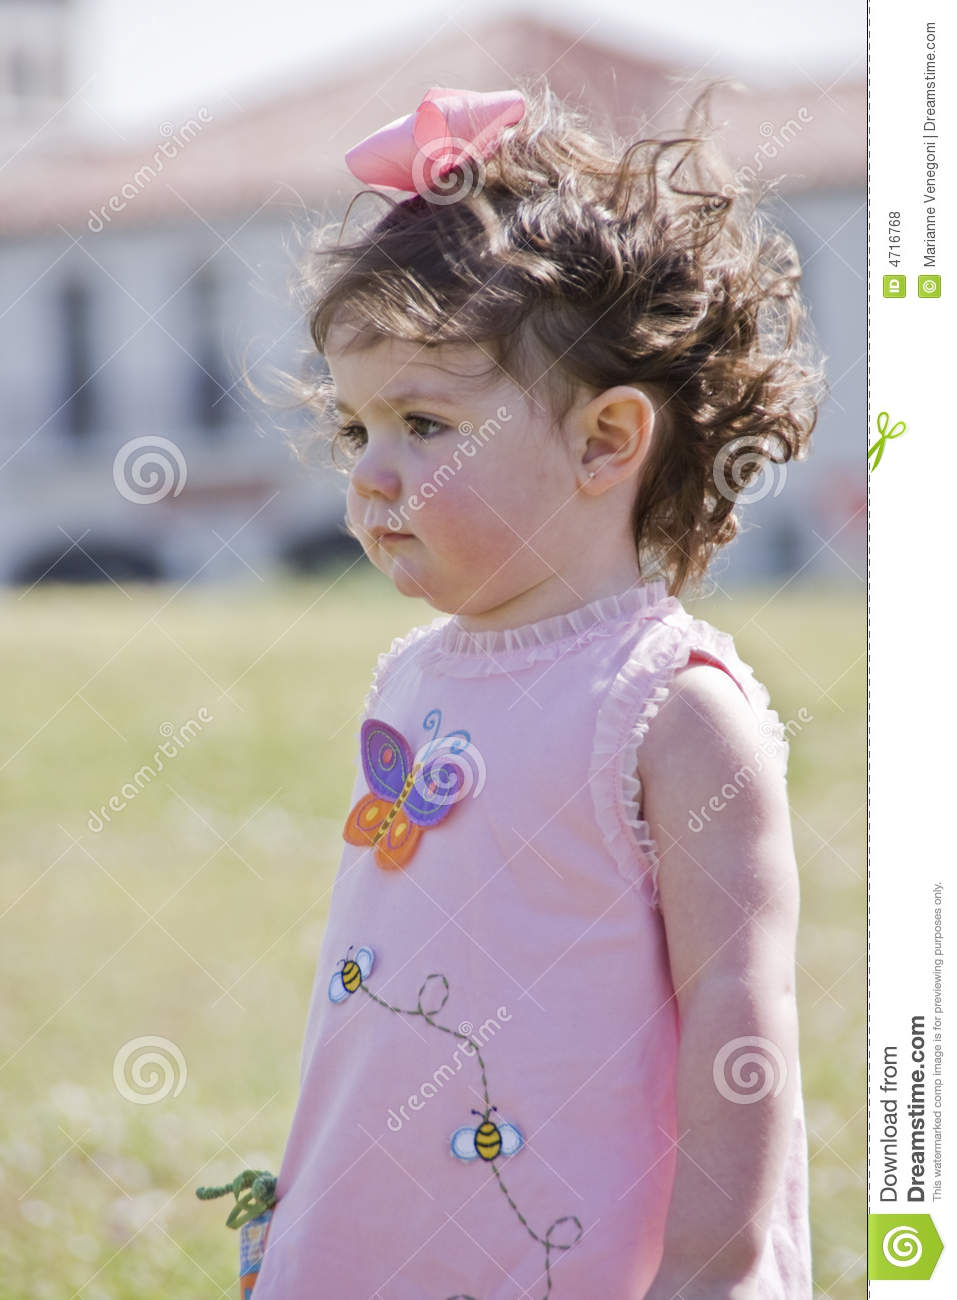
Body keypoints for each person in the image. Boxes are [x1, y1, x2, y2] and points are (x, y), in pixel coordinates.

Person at [250, 77, 823, 1299]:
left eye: (422, 424)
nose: (372, 476)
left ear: (605, 441)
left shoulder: (671, 707)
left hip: (589, 1260)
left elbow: (741, 1017)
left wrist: (709, 1267)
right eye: (355, 431)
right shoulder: (410, 676)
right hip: (375, 1240)